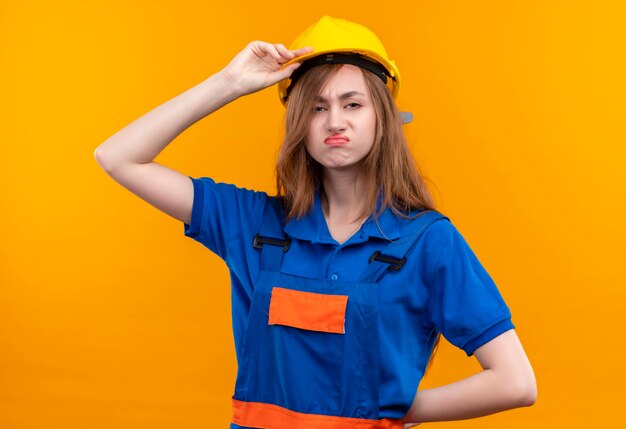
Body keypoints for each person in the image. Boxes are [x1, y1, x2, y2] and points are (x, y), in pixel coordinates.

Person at [95, 15, 536, 429]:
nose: (335, 122)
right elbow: (117, 157)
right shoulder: (256, 224)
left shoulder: (427, 242)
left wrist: (399, 407)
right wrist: (229, 83)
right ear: (298, 124)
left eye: (353, 103)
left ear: (383, 118)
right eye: (317, 107)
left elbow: (515, 382)